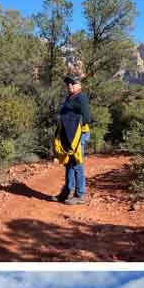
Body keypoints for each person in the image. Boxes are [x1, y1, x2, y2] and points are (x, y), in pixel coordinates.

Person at [51, 75, 92, 205]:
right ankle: (67, 192)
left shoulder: (81, 97)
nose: (69, 86)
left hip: (79, 134)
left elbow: (86, 118)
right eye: (68, 84)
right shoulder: (71, 97)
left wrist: (73, 123)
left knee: (77, 163)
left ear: (79, 85)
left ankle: (79, 195)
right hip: (69, 134)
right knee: (69, 162)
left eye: (72, 83)